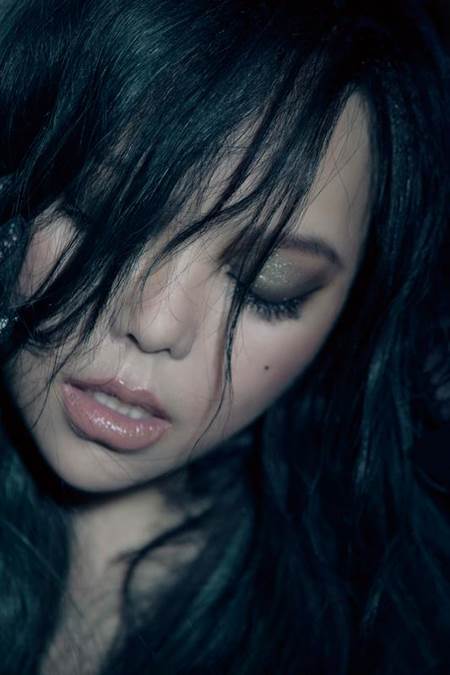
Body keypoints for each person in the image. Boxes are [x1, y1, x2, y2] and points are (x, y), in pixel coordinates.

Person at [0, 1, 448, 673]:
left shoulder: (381, 639)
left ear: (355, 313)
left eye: (267, 282)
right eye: (106, 212)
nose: (155, 324)